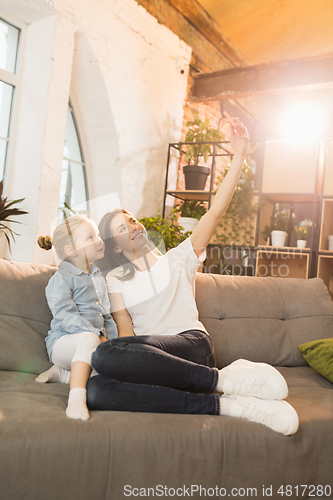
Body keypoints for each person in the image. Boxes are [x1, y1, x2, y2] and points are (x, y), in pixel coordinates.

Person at [87, 117, 299, 436]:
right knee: (97, 392)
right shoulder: (114, 279)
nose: (133, 227)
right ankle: (229, 404)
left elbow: (214, 212)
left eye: (132, 220)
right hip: (153, 361)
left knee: (105, 355)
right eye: (122, 228)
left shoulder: (180, 257)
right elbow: (126, 335)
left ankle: (221, 380)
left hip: (192, 346)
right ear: (114, 245)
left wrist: (239, 155)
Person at [36, 215, 118, 420]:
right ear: (71, 251)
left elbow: (106, 315)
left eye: (97, 235)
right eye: (90, 237)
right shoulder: (61, 279)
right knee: (88, 339)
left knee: (114, 364)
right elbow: (65, 315)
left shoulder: (99, 277)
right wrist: (96, 335)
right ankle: (76, 399)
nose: (99, 240)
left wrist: (114, 344)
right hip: (62, 344)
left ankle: (64, 373)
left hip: (93, 342)